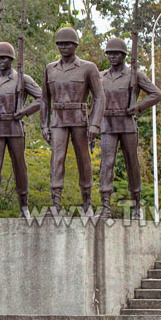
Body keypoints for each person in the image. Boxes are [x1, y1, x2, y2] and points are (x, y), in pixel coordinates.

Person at [41, 27, 106, 216]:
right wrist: (44, 125)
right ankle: (55, 204)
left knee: (84, 161)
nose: (63, 47)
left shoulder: (88, 67)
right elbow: (44, 100)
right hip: (58, 120)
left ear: (75, 45)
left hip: (79, 120)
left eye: (67, 44)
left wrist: (95, 124)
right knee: (56, 160)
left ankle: (87, 203)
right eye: (60, 44)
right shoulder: (50, 68)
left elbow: (99, 97)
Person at [98, 36, 161, 220]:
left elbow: (157, 94)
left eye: (116, 53)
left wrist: (138, 107)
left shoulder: (135, 75)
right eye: (109, 53)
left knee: (132, 164)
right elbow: (95, 100)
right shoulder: (100, 76)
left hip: (127, 124)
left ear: (124, 55)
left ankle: (136, 206)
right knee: (106, 164)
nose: (112, 57)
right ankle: (105, 206)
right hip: (108, 124)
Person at [0, 41, 42, 220]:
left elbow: (42, 98)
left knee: (20, 167)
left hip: (15, 128)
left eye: (3, 58)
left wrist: (24, 111)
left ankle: (24, 206)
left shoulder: (22, 79)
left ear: (11, 59)